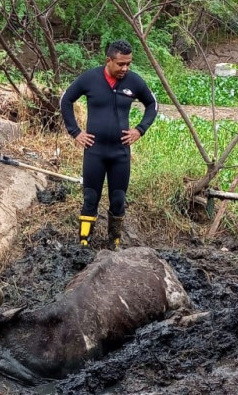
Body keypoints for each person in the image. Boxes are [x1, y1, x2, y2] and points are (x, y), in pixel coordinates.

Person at [60, 39, 157, 249]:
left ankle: (114, 242)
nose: (125, 68)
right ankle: (83, 244)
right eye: (121, 64)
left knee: (118, 199)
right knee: (90, 198)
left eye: (129, 64)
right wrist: (75, 132)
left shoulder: (134, 82)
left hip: (120, 153)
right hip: (94, 152)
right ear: (109, 60)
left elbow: (152, 104)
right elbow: (65, 100)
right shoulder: (90, 78)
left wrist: (140, 129)